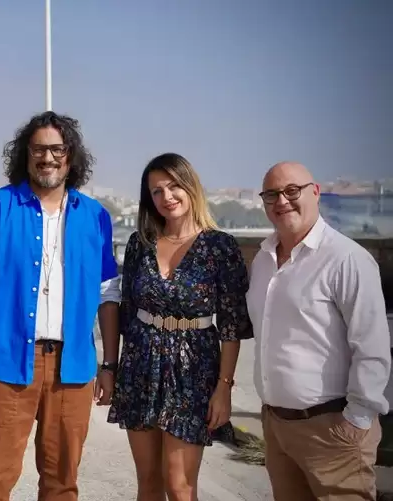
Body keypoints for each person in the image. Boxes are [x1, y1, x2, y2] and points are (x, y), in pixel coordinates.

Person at [0, 111, 121, 501]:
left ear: (71, 155)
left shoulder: (95, 216)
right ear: (25, 154)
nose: (48, 158)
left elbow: (108, 293)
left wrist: (109, 365)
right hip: (5, 365)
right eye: (38, 149)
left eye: (57, 149)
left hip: (73, 368)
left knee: (62, 483)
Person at [107, 153, 253, 501]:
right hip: (141, 368)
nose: (167, 197)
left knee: (180, 486)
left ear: (191, 187)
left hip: (193, 372)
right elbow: (127, 313)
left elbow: (231, 326)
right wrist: (111, 368)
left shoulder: (220, 246)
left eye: (174, 186)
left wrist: (224, 387)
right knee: (148, 484)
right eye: (157, 191)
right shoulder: (139, 244)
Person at [248, 161, 391, 501]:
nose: (282, 201)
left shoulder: (346, 259)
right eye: (271, 195)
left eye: (291, 191)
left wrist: (356, 421)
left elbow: (372, 347)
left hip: (332, 430)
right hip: (277, 426)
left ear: (315, 193)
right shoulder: (263, 259)